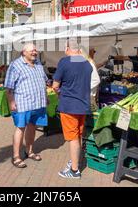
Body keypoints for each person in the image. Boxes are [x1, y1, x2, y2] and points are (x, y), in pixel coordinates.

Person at [53, 39, 93, 179]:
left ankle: (74, 170)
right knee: (78, 136)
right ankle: (76, 161)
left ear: (68, 48)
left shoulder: (65, 61)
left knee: (72, 138)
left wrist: (58, 92)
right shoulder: (88, 64)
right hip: (83, 105)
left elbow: (55, 85)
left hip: (69, 105)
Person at [4, 43, 48, 169]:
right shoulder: (16, 65)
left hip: (38, 103)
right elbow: (9, 86)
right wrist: (11, 101)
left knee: (32, 126)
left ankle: (29, 151)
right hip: (23, 103)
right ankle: (16, 157)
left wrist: (45, 96)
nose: (35, 52)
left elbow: (43, 80)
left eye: (35, 50)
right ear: (24, 52)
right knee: (20, 128)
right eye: (32, 51)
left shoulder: (38, 63)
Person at [80, 47, 101, 111]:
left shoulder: (90, 64)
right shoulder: (82, 64)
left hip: (88, 97)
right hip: (82, 97)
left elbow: (96, 80)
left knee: (90, 117)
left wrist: (85, 89)